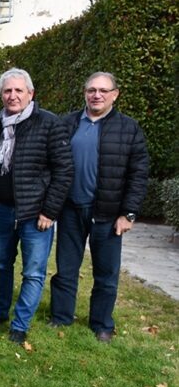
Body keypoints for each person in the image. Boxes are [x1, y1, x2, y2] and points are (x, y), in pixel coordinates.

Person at [49, 72, 148, 343]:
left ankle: (102, 323)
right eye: (92, 90)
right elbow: (53, 164)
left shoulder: (129, 128)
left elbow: (138, 174)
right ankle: (61, 316)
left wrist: (128, 213)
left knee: (106, 273)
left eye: (104, 90)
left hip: (108, 214)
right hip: (70, 209)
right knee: (66, 269)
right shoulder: (67, 123)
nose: (97, 95)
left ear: (115, 94)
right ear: (84, 92)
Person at [0, 68, 73, 345]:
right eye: (7, 91)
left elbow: (64, 170)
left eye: (19, 90)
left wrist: (50, 210)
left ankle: (20, 325)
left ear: (30, 93)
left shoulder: (49, 123)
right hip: (1, 210)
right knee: (0, 264)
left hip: (36, 214)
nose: (13, 96)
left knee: (32, 272)